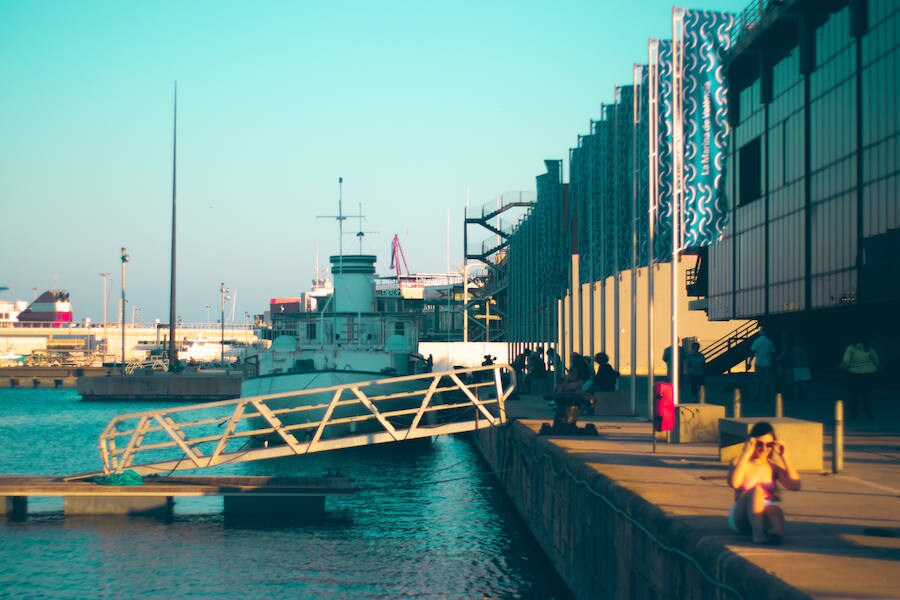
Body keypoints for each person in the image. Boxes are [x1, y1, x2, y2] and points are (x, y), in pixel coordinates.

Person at [727, 421, 801, 544]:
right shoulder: (738, 462)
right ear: (752, 443)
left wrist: (785, 457)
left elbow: (795, 486)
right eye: (760, 444)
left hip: (765, 514)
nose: (764, 449)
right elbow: (735, 483)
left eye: (769, 444)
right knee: (757, 490)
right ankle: (758, 535)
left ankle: (775, 534)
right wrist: (746, 454)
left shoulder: (774, 465)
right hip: (741, 515)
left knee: (775, 510)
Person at [839, 340, 879, 419]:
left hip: (854, 374)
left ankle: (854, 415)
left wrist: (842, 368)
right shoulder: (868, 347)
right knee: (867, 395)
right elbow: (877, 361)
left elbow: (846, 361)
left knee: (853, 395)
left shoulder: (851, 348)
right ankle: (869, 413)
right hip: (868, 373)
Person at [750, 328, 776, 405]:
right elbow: (773, 353)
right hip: (768, 364)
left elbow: (753, 352)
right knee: (767, 381)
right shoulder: (770, 342)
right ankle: (767, 396)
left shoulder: (756, 341)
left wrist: (749, 363)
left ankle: (757, 395)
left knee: (758, 380)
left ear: (760, 333)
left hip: (758, 363)